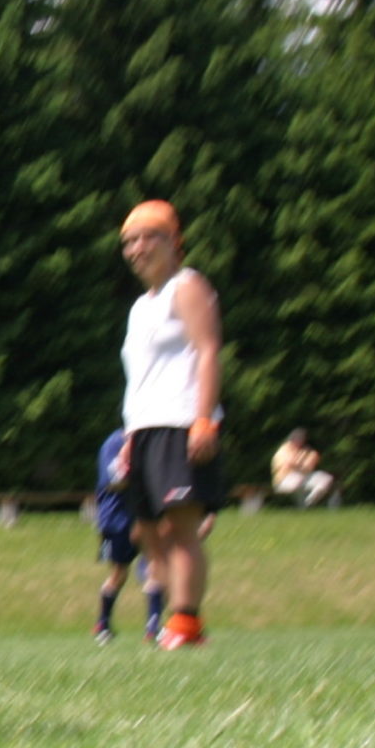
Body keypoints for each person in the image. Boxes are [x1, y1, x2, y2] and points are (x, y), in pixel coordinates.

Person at [115, 200, 222, 650]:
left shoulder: (188, 286)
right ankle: (174, 618)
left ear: (174, 242)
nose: (138, 248)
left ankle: (186, 623)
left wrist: (204, 419)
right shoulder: (141, 307)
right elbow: (140, 376)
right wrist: (129, 436)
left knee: (181, 528)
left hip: (180, 421)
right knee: (147, 532)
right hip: (145, 428)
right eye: (129, 241)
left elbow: (208, 349)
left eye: (149, 237)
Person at [91, 428, 163, 644]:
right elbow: (114, 481)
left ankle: (153, 627)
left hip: (143, 515)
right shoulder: (114, 443)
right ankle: (103, 624)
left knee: (155, 568)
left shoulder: (149, 440)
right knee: (118, 574)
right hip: (116, 519)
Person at [271, 428, 338, 508]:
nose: (299, 441)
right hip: (284, 480)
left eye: (301, 438)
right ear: (292, 439)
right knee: (297, 479)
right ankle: (304, 505)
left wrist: (301, 464)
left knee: (327, 478)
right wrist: (301, 463)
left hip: (303, 477)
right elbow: (289, 464)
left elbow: (310, 465)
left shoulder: (306, 451)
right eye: (297, 438)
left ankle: (310, 501)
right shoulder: (284, 449)